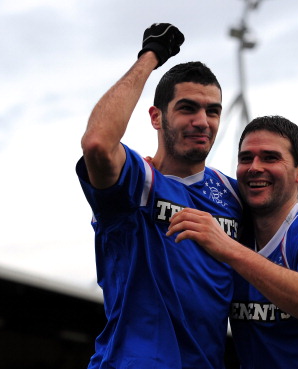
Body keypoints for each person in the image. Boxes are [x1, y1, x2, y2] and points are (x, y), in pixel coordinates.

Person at [76, 23, 244, 368]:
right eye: (188, 108)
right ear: (156, 116)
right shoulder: (138, 181)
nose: (203, 121)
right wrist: (150, 58)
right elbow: (97, 142)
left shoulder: (234, 197)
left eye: (213, 111)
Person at [168, 115, 298, 369]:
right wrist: (156, 169)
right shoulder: (234, 227)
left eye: (270, 157)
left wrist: (229, 249)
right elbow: (188, 175)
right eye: (246, 158)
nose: (255, 167)